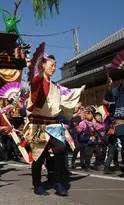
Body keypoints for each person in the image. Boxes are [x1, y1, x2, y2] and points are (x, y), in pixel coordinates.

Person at [24, 54, 84, 196]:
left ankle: (57, 182)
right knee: (39, 155)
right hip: (38, 125)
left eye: (56, 65)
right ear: (43, 65)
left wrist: (78, 91)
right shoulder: (37, 81)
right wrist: (32, 68)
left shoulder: (55, 86)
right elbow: (36, 88)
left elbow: (67, 94)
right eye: (52, 65)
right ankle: (37, 184)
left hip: (54, 124)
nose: (54, 68)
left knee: (61, 148)